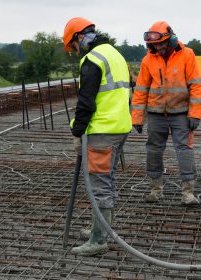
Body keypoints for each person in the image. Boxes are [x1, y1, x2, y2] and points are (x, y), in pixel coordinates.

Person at [63, 17, 132, 256]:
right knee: (107, 180)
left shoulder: (92, 59)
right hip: (120, 126)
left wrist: (77, 130)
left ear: (79, 37)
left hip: (102, 131)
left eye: (73, 46)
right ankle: (101, 228)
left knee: (99, 185)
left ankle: (99, 240)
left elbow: (86, 102)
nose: (75, 51)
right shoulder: (115, 54)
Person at [131, 21, 201, 205]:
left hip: (181, 114)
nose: (159, 48)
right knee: (153, 151)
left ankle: (188, 193)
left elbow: (195, 86)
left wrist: (195, 114)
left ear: (171, 40)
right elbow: (140, 90)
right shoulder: (148, 60)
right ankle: (156, 190)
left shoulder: (187, 55)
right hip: (155, 115)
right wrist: (137, 117)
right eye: (155, 45)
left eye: (161, 44)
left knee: (184, 151)